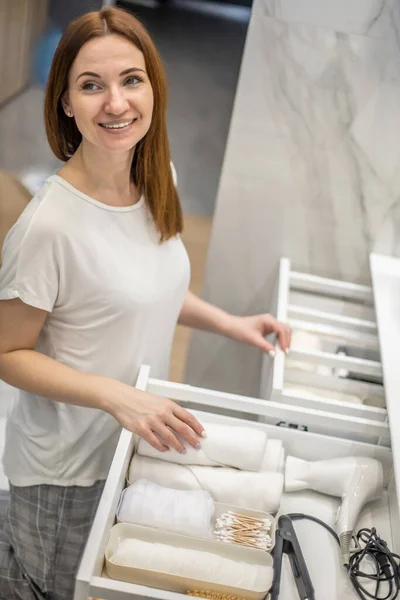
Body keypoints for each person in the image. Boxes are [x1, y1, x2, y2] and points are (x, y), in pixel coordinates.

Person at [0, 6, 291, 600]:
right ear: (65, 102)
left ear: (153, 87)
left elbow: (145, 289)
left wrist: (230, 323)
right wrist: (117, 396)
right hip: (65, 471)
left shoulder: (159, 176)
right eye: (91, 85)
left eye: (131, 79)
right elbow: (6, 351)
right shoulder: (48, 228)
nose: (115, 103)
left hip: (128, 442)